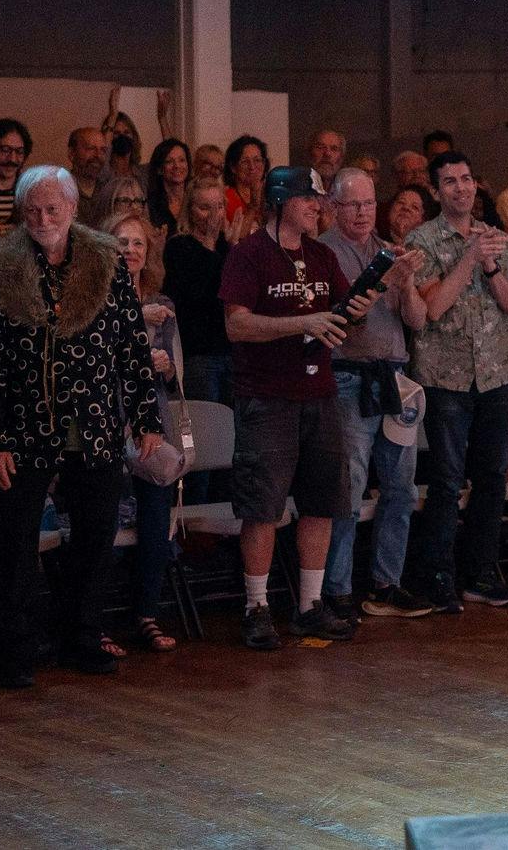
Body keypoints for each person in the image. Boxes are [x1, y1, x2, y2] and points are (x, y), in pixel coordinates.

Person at [0, 166, 164, 688]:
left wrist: (147, 416)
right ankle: (12, 647)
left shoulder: (107, 262)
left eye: (52, 208)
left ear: (74, 209)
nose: (42, 219)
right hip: (25, 425)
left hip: (96, 422)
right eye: (32, 210)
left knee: (97, 536)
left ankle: (81, 632)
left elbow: (131, 346)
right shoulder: (0, 268)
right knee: (13, 540)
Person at [219, 166, 375, 648]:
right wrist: (302, 322)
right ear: (283, 200)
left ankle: (309, 604)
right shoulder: (249, 256)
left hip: (320, 394)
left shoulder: (323, 255)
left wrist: (353, 313)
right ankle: (257, 606)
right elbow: (237, 327)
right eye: (310, 198)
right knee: (263, 507)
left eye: (320, 199)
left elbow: (338, 328)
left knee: (321, 502)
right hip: (267, 397)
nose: (318, 206)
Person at [405, 150, 508, 613]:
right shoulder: (422, 239)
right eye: (450, 181)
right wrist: (469, 258)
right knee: (447, 479)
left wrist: (490, 264)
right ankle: (437, 575)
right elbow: (432, 308)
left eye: (467, 178)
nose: (462, 187)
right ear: (435, 192)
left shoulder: (497, 238)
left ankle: (480, 574)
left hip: (496, 371)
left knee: (493, 478)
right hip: (446, 377)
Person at [318, 168, 431, 621]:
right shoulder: (324, 252)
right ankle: (337, 588)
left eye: (368, 203)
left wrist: (404, 282)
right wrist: (386, 278)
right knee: (349, 487)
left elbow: (419, 320)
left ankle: (388, 582)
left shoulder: (388, 251)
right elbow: (346, 317)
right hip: (347, 376)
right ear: (333, 206)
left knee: (400, 488)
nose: (363, 212)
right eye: (352, 204)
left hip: (395, 376)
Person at [108, 210, 185, 652]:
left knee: (156, 523)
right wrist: (139, 318)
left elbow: (175, 378)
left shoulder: (163, 304)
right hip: (107, 424)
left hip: (149, 425)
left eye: (137, 243)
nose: (130, 251)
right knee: (102, 528)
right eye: (121, 243)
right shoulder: (96, 299)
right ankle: (95, 622)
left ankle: (147, 614)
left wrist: (166, 365)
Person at [164, 180, 233, 503]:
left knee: (231, 437)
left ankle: (224, 513)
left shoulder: (229, 249)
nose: (213, 215)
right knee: (203, 441)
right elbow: (199, 295)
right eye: (204, 207)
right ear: (190, 210)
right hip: (199, 355)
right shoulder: (179, 248)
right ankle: (196, 518)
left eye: (219, 206)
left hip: (232, 353)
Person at [221, 135, 270, 240]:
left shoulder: (272, 193)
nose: (252, 167)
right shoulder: (225, 198)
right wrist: (252, 207)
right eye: (245, 161)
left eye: (257, 160)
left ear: (264, 163)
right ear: (233, 167)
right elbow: (234, 239)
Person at [146, 135, 192, 235]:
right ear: (159, 169)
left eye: (182, 160)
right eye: (169, 161)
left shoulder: (196, 199)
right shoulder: (150, 204)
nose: (177, 166)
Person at [67, 127, 111, 212]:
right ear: (72, 153)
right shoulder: (60, 190)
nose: (98, 155)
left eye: (103, 150)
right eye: (91, 148)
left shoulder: (110, 191)